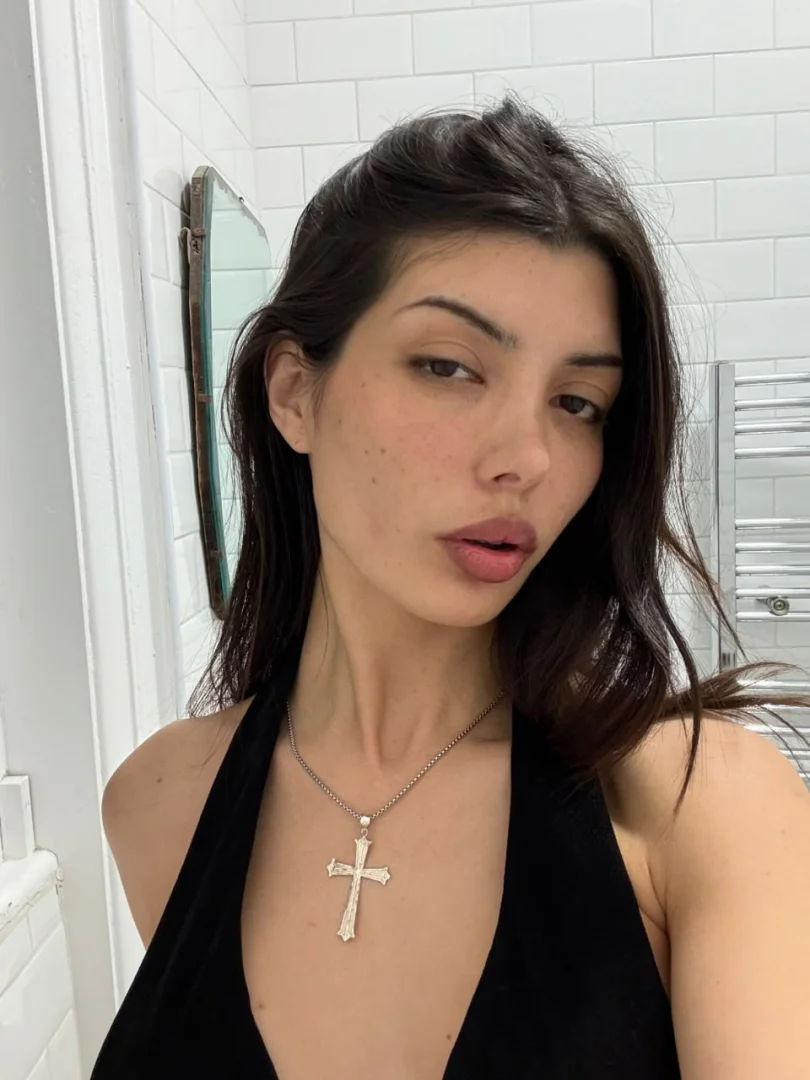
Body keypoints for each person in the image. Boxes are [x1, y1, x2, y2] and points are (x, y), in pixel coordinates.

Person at [93, 93, 810, 1079]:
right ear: (295, 392)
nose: (528, 457)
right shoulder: (158, 801)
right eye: (448, 367)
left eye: (577, 402)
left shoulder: (703, 808)